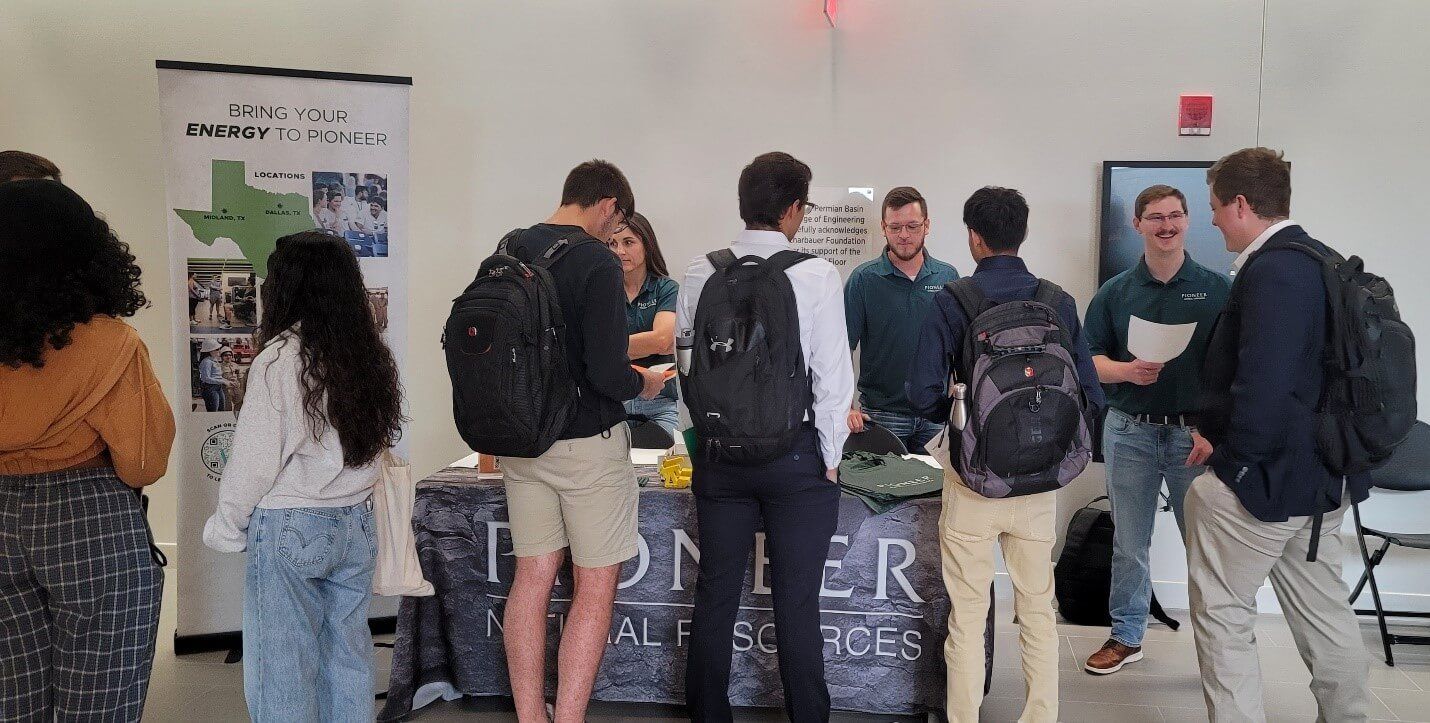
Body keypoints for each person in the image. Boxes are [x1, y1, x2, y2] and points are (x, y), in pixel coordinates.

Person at [1187, 147, 1371, 721]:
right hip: (1323, 481)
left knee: (1223, 616)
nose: (1213, 220)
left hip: (1265, 485)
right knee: (1327, 615)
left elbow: (1264, 386)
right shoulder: (1326, 261)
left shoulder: (1273, 271)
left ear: (1241, 204)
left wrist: (1232, 470)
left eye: (1216, 208)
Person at [907, 186, 1104, 723]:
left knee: (969, 614)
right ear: (1023, 233)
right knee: (1038, 607)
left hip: (972, 480)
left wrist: (956, 397)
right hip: (1041, 481)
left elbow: (921, 396)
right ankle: (1040, 716)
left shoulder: (952, 300)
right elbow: (1093, 395)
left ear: (973, 236)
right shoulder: (1057, 300)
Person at [678, 152, 855, 722]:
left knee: (715, 596)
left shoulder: (700, 273)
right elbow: (833, 377)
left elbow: (688, 371)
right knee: (798, 604)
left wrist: (707, 437)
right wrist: (829, 458)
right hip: (796, 459)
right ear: (793, 210)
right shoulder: (815, 275)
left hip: (721, 460)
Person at [203, 230, 404, 722]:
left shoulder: (280, 359)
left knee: (283, 669)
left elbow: (252, 463)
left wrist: (226, 527)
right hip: (355, 523)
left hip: (292, 525)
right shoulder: (369, 355)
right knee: (350, 659)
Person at [494, 160, 665, 723]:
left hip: (522, 441)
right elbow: (608, 373)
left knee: (532, 576)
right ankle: (567, 718)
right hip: (588, 444)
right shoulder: (596, 262)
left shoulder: (507, 250)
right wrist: (646, 381)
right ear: (609, 204)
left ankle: (528, 716)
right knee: (594, 585)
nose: (615, 239)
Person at [0, 179, 174, 722]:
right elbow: (144, 462)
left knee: (12, 696)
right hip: (89, 520)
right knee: (100, 696)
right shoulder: (109, 342)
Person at [1080, 184, 1230, 674]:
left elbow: (1236, 369)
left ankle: (1219, 649)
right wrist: (1126, 371)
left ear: (1188, 221)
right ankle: (1126, 636)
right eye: (1155, 217)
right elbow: (1087, 363)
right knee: (1129, 541)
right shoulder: (1115, 291)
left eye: (1174, 216)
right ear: (1137, 225)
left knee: (1204, 547)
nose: (1166, 226)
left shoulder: (1217, 290)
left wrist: (1216, 430)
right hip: (1130, 432)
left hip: (1195, 439)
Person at [844, 186, 959, 453]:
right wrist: (846, 406)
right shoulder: (863, 280)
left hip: (935, 412)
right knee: (883, 493)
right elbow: (841, 348)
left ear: (926, 225)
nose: (904, 235)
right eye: (895, 227)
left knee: (934, 493)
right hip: (882, 414)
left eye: (912, 226)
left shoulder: (947, 277)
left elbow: (958, 345)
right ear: (884, 227)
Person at [606, 211, 680, 436]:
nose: (620, 251)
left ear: (646, 245)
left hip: (662, 403)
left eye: (629, 242)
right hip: (615, 403)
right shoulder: (602, 292)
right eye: (612, 243)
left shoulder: (666, 288)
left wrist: (608, 350)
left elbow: (663, 341)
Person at [197, 339, 227, 411]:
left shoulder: (213, 360)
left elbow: (216, 376)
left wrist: (225, 380)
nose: (219, 350)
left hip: (217, 387)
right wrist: (223, 381)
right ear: (210, 351)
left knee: (221, 409)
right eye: (217, 349)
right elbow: (206, 378)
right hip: (210, 388)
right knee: (213, 411)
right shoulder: (207, 362)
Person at [219, 348, 246, 414]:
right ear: (222, 357)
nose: (228, 357)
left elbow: (240, 377)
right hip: (226, 390)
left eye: (230, 355)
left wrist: (241, 389)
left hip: (236, 389)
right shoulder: (219, 367)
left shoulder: (235, 365)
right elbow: (218, 378)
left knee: (239, 405)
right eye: (226, 355)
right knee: (227, 408)